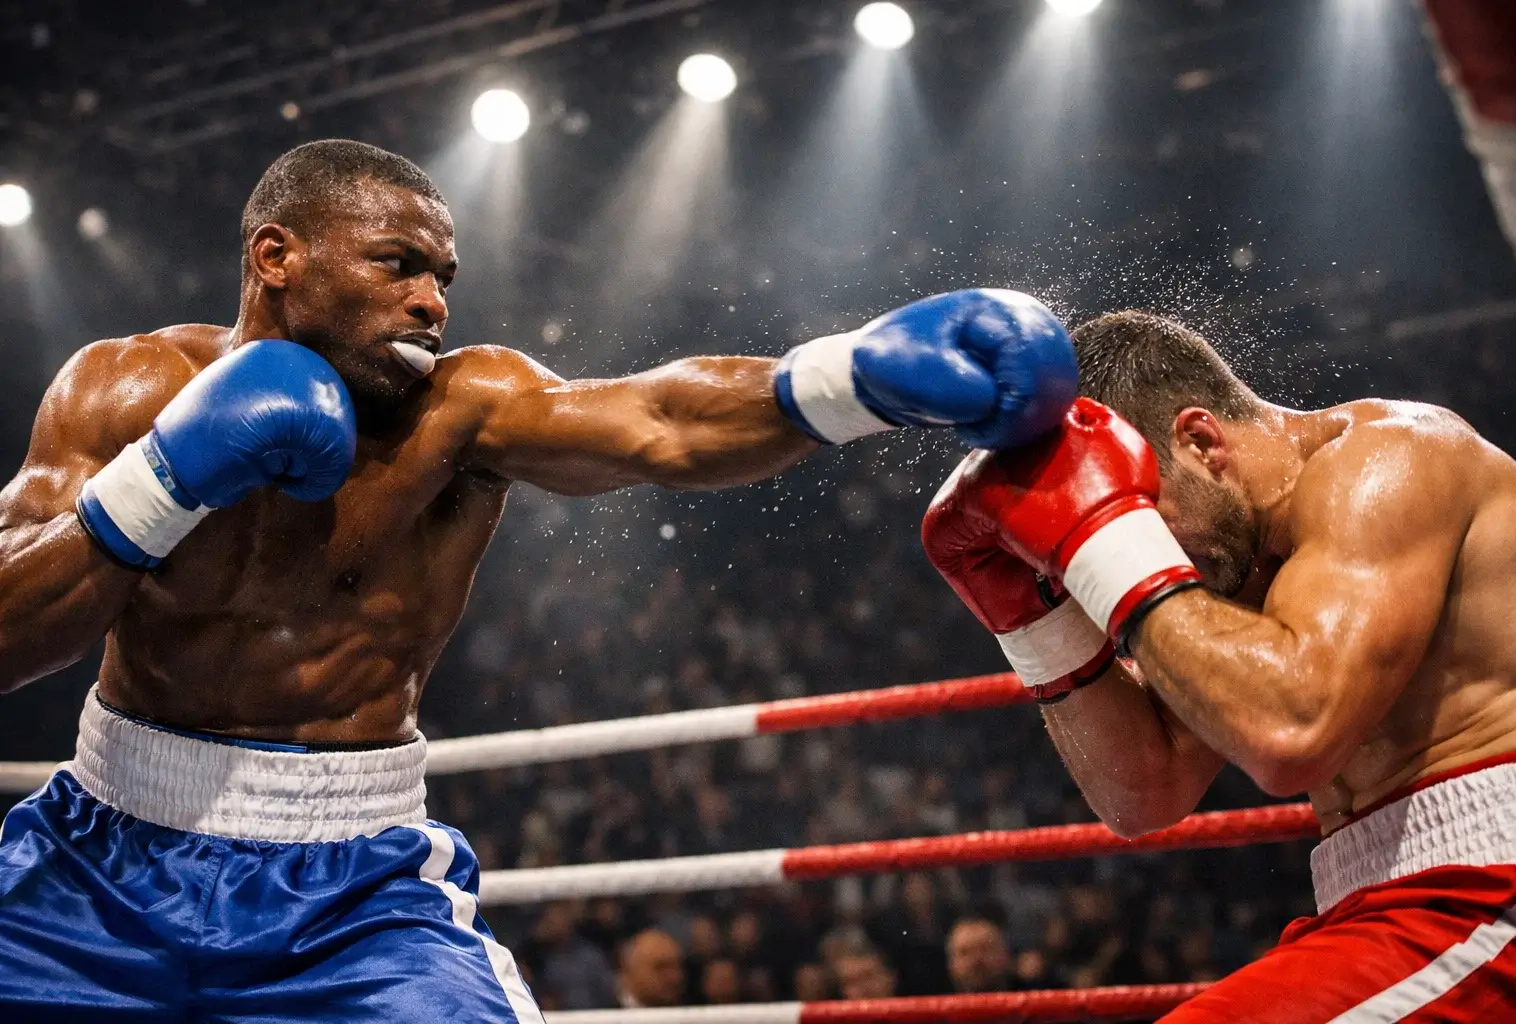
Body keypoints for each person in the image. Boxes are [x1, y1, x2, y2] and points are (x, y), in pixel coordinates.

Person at [0, 137, 1080, 1022]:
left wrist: (846, 381)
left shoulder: (463, 409)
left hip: (347, 896)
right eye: (397, 265)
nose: (432, 302)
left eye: (444, 278)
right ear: (276, 255)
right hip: (94, 860)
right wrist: (162, 481)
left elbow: (655, 419)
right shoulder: (125, 388)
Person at [923, 310, 1516, 1021]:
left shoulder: (1391, 460)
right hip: (1383, 903)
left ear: (1201, 440)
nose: (1148, 559)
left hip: (1503, 879)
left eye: (1137, 523)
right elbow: (1144, 795)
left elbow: (1292, 735)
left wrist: (1107, 540)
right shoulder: (1227, 567)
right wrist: (1034, 623)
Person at [615, 929, 686, 1009]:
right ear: (629, 971)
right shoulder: (603, 1016)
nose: (674, 977)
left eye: (677, 967)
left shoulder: (692, 1017)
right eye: (660, 967)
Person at [945, 914, 1017, 994]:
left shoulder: (1030, 998)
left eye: (985, 949)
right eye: (965, 953)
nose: (976, 959)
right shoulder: (934, 1003)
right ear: (951, 962)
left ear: (1004, 954)